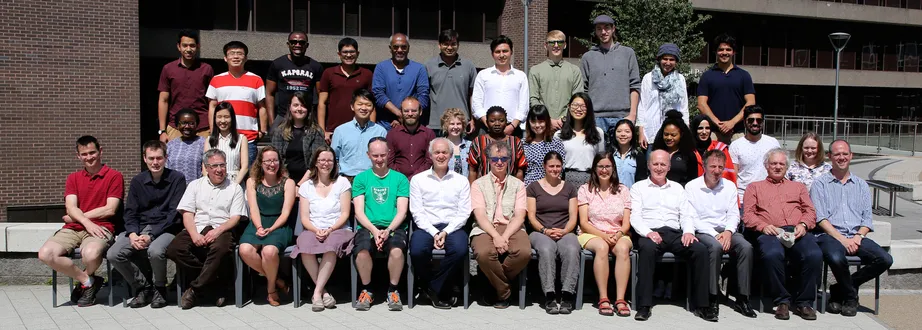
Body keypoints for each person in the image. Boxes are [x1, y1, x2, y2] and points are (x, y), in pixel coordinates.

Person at [38, 136, 123, 307]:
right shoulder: (73, 178)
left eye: (92, 152)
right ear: (78, 156)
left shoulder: (114, 176)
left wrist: (79, 216)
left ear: (100, 151)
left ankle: (86, 282)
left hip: (102, 227)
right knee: (45, 254)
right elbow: (71, 207)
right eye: (84, 154)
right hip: (74, 227)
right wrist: (86, 221)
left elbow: (110, 209)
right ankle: (89, 281)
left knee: (90, 254)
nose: (89, 157)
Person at [811, 140, 893, 317]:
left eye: (845, 154)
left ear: (851, 156)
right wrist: (843, 239)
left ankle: (839, 289)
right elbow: (821, 219)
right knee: (834, 256)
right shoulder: (820, 184)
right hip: (830, 236)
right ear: (830, 157)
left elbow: (867, 218)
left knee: (884, 259)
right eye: (837, 154)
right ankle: (849, 297)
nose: (841, 157)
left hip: (856, 236)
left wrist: (857, 237)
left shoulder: (861, 185)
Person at [631, 150, 714, 322]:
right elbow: (635, 217)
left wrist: (689, 232)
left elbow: (686, 214)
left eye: (663, 164)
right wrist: (648, 232)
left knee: (700, 250)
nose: (659, 168)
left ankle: (702, 305)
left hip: (675, 233)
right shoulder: (638, 187)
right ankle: (644, 305)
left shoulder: (677, 188)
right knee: (646, 249)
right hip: (650, 231)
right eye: (655, 164)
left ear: (669, 167)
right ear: (648, 165)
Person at [743, 148, 820, 320]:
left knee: (814, 254)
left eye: (781, 164)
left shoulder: (798, 187)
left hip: (796, 231)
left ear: (786, 167)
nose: (777, 167)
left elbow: (810, 211)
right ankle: (782, 301)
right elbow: (747, 215)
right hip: (770, 232)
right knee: (772, 254)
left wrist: (803, 224)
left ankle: (804, 303)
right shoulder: (754, 187)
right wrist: (762, 226)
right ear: (766, 166)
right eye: (773, 164)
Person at [107, 140, 186, 309]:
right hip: (140, 227)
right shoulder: (137, 181)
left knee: (156, 250)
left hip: (166, 228)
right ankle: (143, 287)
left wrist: (151, 236)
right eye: (151, 158)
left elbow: (174, 214)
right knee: (114, 253)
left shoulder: (177, 179)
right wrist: (133, 234)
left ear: (166, 158)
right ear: (145, 158)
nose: (155, 162)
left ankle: (160, 288)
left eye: (159, 158)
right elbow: (130, 212)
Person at [166, 149, 246, 309]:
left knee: (221, 249)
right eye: (214, 166)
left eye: (222, 165)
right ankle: (214, 283)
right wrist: (194, 234)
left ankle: (195, 289)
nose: (219, 169)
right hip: (198, 226)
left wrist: (217, 231)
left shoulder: (235, 188)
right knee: (174, 249)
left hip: (222, 228)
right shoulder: (195, 185)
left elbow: (235, 218)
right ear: (206, 167)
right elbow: (187, 213)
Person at [686, 150, 755, 318]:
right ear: (704, 166)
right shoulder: (692, 186)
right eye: (713, 166)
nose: (717, 171)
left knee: (746, 247)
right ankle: (711, 297)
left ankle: (742, 298)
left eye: (720, 167)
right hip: (703, 230)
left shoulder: (729, 186)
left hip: (726, 230)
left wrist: (729, 232)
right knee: (714, 248)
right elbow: (691, 216)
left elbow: (733, 214)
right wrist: (715, 235)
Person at [409, 138, 472, 309]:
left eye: (445, 152)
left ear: (451, 155)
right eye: (437, 152)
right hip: (426, 226)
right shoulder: (418, 180)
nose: (441, 155)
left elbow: (464, 212)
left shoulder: (461, 181)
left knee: (460, 250)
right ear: (430, 155)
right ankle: (441, 288)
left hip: (453, 227)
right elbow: (417, 211)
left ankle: (431, 287)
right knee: (417, 250)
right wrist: (434, 232)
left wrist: (445, 232)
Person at [290, 147, 354, 312]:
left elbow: (345, 213)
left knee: (331, 244)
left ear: (334, 163)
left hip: (338, 228)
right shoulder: (306, 186)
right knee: (304, 244)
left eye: (330, 160)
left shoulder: (342, 182)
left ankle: (316, 293)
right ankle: (324, 293)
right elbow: (304, 217)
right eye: (322, 160)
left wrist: (330, 228)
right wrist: (317, 229)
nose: (326, 163)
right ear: (315, 163)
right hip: (313, 228)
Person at [470, 142, 532, 309]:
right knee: (484, 253)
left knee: (524, 252)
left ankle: (490, 282)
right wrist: (496, 236)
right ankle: (504, 291)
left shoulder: (518, 185)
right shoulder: (478, 184)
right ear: (488, 160)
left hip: (511, 226)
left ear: (509, 160)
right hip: (485, 227)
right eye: (495, 158)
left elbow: (520, 216)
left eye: (503, 158)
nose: (499, 162)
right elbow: (480, 216)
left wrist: (504, 236)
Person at [352, 138, 410, 311]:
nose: (379, 159)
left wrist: (388, 230)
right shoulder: (361, 179)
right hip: (368, 226)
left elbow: (402, 211)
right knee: (362, 251)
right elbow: (359, 212)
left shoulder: (400, 179)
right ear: (368, 155)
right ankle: (367, 289)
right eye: (375, 155)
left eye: (382, 155)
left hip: (395, 226)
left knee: (397, 251)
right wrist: (374, 230)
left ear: (389, 154)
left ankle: (393, 290)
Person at [238, 147, 296, 306]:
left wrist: (272, 228)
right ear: (261, 163)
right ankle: (278, 280)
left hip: (279, 224)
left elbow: (285, 213)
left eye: (275, 160)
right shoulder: (252, 181)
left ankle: (271, 290)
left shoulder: (288, 183)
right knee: (245, 250)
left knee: (269, 252)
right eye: (268, 161)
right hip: (258, 223)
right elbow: (254, 208)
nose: (272, 164)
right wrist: (258, 226)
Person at [578, 152, 633, 317]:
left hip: (618, 232)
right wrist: (603, 235)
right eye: (600, 166)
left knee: (623, 249)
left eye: (607, 166)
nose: (604, 170)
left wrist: (618, 234)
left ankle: (620, 299)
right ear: (594, 168)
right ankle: (603, 298)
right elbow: (584, 222)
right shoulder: (585, 189)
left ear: (613, 168)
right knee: (602, 247)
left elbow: (626, 223)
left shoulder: (623, 190)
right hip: (592, 232)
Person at [526, 151, 579, 314]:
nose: (555, 169)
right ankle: (549, 295)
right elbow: (531, 216)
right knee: (546, 250)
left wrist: (564, 231)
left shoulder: (569, 188)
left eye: (558, 166)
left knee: (572, 249)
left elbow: (573, 216)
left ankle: (567, 295)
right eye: (551, 166)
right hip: (540, 231)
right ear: (544, 166)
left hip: (565, 230)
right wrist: (545, 230)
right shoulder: (533, 187)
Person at [207, 41, 268, 166]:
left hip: (248, 137)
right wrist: (213, 130)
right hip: (223, 137)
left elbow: (262, 107)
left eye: (239, 54)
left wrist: (263, 130)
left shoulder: (256, 79)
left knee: (249, 176)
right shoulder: (216, 80)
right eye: (232, 54)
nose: (235, 57)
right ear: (225, 58)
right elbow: (212, 106)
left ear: (245, 58)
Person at [580, 15, 641, 132]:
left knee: (622, 151)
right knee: (598, 151)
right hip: (595, 118)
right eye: (599, 28)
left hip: (623, 117)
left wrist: (632, 115)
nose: (603, 32)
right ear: (595, 31)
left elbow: (635, 86)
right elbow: (583, 90)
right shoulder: (588, 57)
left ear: (613, 29)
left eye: (607, 28)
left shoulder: (628, 53)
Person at [697, 34, 756, 143]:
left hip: (738, 132)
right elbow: (701, 104)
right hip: (713, 132)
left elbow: (751, 103)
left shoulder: (744, 75)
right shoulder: (707, 76)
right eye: (721, 50)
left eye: (728, 49)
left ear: (734, 52)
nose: (724, 53)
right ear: (716, 52)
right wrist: (718, 123)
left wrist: (732, 122)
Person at [157, 29, 214, 142]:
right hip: (176, 126)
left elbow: (212, 101)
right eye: (185, 45)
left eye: (192, 45)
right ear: (179, 47)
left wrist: (213, 129)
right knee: (174, 159)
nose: (188, 49)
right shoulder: (168, 69)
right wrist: (162, 131)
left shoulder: (207, 69)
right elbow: (163, 100)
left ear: (198, 47)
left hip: (203, 126)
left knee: (206, 159)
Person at [318, 37, 374, 144]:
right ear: (339, 54)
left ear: (358, 53)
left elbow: (372, 104)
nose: (348, 55)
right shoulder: (329, 73)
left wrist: (371, 129)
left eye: (352, 52)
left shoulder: (367, 74)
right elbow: (322, 103)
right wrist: (322, 130)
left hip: (360, 129)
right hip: (333, 130)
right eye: (345, 52)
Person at [472, 35, 529, 135]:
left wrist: (512, 126)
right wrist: (489, 124)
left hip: (513, 129)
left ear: (511, 52)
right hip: (486, 129)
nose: (501, 55)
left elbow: (524, 106)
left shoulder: (521, 76)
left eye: (505, 51)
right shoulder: (483, 75)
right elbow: (476, 103)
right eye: (497, 52)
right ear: (492, 54)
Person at [372, 33, 430, 131]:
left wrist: (407, 117)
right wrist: (399, 114)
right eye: (396, 47)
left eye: (403, 47)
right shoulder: (381, 68)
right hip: (385, 125)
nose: (399, 50)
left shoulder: (419, 69)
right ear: (390, 48)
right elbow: (378, 94)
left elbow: (423, 96)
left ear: (408, 48)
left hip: (412, 125)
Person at [266, 31, 323, 129]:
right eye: (293, 42)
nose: (297, 45)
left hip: (306, 117)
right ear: (288, 44)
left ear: (307, 45)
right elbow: (269, 94)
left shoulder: (315, 66)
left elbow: (321, 96)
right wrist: (272, 122)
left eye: (301, 42)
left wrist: (319, 121)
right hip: (282, 116)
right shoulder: (278, 64)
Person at [529, 30, 583, 130]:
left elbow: (578, 99)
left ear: (565, 45)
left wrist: (564, 118)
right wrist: (547, 119)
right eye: (552, 42)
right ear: (546, 45)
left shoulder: (575, 71)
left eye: (560, 42)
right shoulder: (535, 71)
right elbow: (534, 98)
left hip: (568, 124)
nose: (556, 45)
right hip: (543, 126)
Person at [425, 29, 477, 134]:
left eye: (453, 44)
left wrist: (472, 119)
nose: (449, 48)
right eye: (446, 44)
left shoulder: (468, 66)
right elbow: (424, 94)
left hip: (461, 122)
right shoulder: (428, 66)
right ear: (439, 45)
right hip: (436, 124)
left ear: (458, 45)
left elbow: (473, 95)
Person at [637, 43, 688, 148]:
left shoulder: (680, 79)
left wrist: (686, 129)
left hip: (673, 134)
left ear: (676, 62)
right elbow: (642, 106)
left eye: (672, 59)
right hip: (651, 132)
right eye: (665, 59)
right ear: (659, 59)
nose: (668, 63)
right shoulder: (648, 78)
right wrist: (641, 132)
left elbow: (683, 107)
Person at [331, 89, 388, 180]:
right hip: (347, 179)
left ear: (373, 108)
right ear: (352, 106)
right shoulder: (340, 131)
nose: (364, 108)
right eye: (360, 104)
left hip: (373, 179)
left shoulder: (381, 131)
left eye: (368, 105)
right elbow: (333, 157)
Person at [272, 92, 327, 184]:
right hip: (284, 180)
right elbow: (277, 159)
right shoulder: (279, 131)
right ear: (290, 107)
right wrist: (289, 183)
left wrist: (300, 185)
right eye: (296, 105)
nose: (299, 109)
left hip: (309, 180)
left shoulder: (316, 132)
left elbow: (316, 162)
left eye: (303, 105)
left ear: (308, 108)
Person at [730, 105, 780, 202]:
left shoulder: (773, 143)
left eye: (759, 120)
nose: (755, 123)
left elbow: (780, 170)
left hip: (769, 198)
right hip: (744, 198)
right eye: (751, 120)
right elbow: (733, 176)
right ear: (745, 122)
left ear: (763, 123)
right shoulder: (735, 145)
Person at [555, 92, 606, 186]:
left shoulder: (598, 133)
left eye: (583, 106)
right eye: (575, 105)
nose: (578, 109)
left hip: (591, 180)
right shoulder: (559, 135)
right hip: (566, 179)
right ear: (569, 107)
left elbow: (601, 160)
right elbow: (555, 162)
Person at [467, 106, 527, 182]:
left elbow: (520, 170)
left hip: (509, 189)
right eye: (492, 121)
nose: (497, 124)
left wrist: (518, 191)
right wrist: (473, 191)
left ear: (506, 122)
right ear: (487, 122)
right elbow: (472, 170)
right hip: (484, 189)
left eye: (501, 120)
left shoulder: (515, 142)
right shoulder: (478, 141)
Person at [387, 96, 436, 180]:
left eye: (414, 110)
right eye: (406, 111)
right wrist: (402, 179)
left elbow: (430, 161)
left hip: (423, 180)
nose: (410, 114)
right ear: (401, 112)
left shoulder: (429, 134)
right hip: (397, 181)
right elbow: (389, 161)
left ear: (420, 112)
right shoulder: (392, 134)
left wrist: (414, 178)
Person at [651, 110, 698, 186]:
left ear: (681, 134)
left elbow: (693, 181)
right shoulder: (655, 153)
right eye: (666, 134)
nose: (669, 138)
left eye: (673, 135)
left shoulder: (689, 155)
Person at [205, 102, 248, 185]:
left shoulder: (241, 139)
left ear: (232, 118)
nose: (223, 121)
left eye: (226, 117)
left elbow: (245, 167)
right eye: (219, 117)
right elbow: (205, 166)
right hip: (214, 183)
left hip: (235, 182)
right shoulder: (209, 140)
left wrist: (234, 186)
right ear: (215, 118)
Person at [523, 105, 566, 185]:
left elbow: (560, 170)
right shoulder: (523, 144)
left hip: (549, 187)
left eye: (541, 122)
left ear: (547, 122)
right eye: (533, 122)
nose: (537, 125)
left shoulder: (556, 144)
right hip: (528, 188)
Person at [690, 114, 737, 184]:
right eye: (700, 128)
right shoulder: (689, 149)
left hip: (717, 190)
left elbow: (729, 175)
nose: (704, 132)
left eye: (707, 128)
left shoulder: (720, 148)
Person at [167, 108, 206, 183]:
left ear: (196, 125)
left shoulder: (204, 143)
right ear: (177, 125)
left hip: (196, 190)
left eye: (191, 123)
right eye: (183, 123)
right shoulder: (170, 146)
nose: (187, 126)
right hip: (175, 190)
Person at [606, 119, 648, 188]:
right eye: (619, 131)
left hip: (631, 196)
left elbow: (641, 182)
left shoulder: (639, 157)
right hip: (611, 196)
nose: (623, 134)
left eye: (627, 131)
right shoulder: (608, 155)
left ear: (632, 134)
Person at [442, 108, 473, 177]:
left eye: (458, 124)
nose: (455, 127)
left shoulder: (470, 145)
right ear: (446, 126)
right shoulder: (440, 145)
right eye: (452, 124)